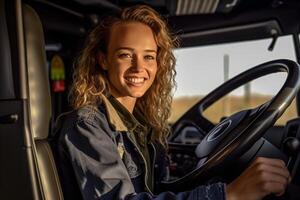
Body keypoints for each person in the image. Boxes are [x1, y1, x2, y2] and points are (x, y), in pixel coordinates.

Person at [53, 5, 291, 200]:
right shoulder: (87, 126)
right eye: (125, 55)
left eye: (148, 57)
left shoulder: (141, 125)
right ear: (103, 60)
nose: (139, 68)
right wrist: (230, 194)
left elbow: (153, 192)